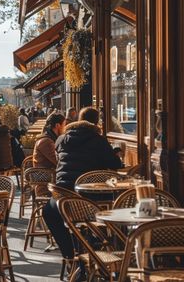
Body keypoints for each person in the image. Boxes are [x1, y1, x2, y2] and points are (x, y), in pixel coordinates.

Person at [43, 106, 123, 265]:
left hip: (62, 197)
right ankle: (98, 250)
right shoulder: (98, 140)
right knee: (115, 204)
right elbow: (115, 164)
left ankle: (70, 255)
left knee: (48, 213)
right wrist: (115, 152)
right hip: (89, 200)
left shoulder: (61, 140)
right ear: (96, 123)